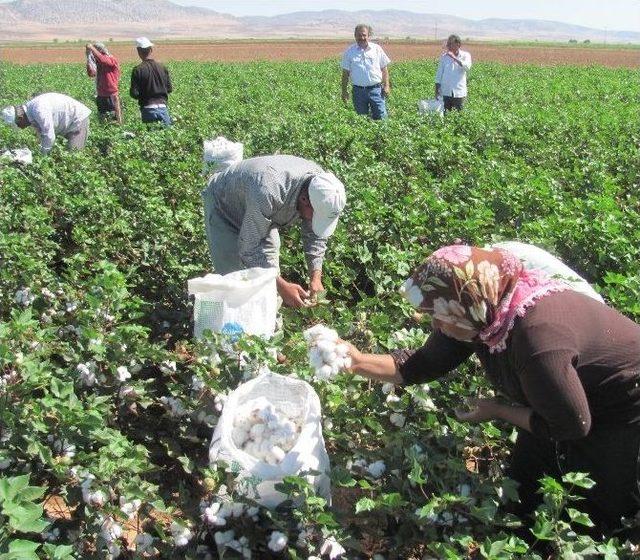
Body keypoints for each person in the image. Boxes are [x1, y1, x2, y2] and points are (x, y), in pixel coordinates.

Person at [345, 244, 640, 534]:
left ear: (465, 305)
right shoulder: (483, 311)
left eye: (440, 314)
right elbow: (420, 365)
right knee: (525, 486)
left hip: (625, 403)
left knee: (602, 508)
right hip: (561, 398)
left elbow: (572, 425)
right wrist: (356, 361)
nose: (435, 323)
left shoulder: (537, 340)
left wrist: (498, 410)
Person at [201, 155, 346, 308]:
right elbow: (249, 248)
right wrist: (282, 286)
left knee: (270, 284)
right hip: (223, 207)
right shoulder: (269, 191)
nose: (313, 221)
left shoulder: (322, 188)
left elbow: (315, 234)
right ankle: (232, 328)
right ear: (304, 200)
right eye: (315, 216)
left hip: (260, 212)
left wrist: (315, 278)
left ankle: (266, 325)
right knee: (233, 283)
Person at [1, 93, 91, 154]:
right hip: (65, 123)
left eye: (18, 125)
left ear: (20, 118)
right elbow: (42, 136)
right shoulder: (30, 113)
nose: (20, 128)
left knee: (73, 156)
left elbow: (49, 135)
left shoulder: (38, 110)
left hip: (77, 120)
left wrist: (43, 156)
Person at [341, 24, 391, 120]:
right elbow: (345, 74)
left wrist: (387, 85)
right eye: (359, 35)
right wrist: (344, 91)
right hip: (358, 92)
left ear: (369, 36)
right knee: (361, 120)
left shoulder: (377, 49)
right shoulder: (349, 52)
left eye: (364, 35)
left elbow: (384, 68)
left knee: (382, 118)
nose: (362, 38)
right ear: (355, 36)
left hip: (376, 90)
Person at [130, 37, 172, 126]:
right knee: (166, 138)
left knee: (151, 137)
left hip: (148, 109)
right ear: (151, 49)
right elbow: (169, 89)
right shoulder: (162, 67)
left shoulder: (138, 70)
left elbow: (134, 93)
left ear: (138, 51)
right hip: (163, 108)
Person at [85, 42, 122, 124]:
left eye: (95, 53)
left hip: (111, 96)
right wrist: (88, 57)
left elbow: (103, 60)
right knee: (103, 119)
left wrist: (92, 48)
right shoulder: (98, 63)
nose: (94, 55)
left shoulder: (110, 59)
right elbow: (91, 73)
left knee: (112, 119)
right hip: (101, 96)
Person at [435, 34, 472, 112]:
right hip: (445, 92)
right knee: (445, 115)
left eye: (450, 44)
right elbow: (439, 75)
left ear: (458, 44)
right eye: (448, 44)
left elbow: (467, 67)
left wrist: (454, 58)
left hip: (459, 92)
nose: (448, 46)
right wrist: (437, 90)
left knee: (459, 116)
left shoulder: (465, 55)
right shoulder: (444, 57)